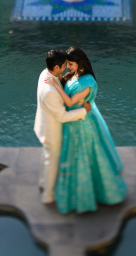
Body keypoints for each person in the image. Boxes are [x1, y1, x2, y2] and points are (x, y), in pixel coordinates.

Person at [44, 46, 127, 214]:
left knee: (85, 159)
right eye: (67, 64)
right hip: (74, 121)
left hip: (82, 125)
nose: (68, 67)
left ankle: (89, 197)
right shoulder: (75, 75)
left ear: (80, 64)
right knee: (75, 159)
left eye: (71, 64)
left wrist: (55, 84)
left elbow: (69, 102)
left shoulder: (87, 84)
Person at [34, 49, 92, 205]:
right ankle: (48, 195)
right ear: (57, 66)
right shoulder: (50, 92)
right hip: (51, 130)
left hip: (43, 123)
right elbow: (62, 116)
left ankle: (42, 182)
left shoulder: (45, 73)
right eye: (65, 65)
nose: (67, 67)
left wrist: (60, 79)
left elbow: (58, 79)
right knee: (51, 162)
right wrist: (83, 111)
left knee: (46, 157)